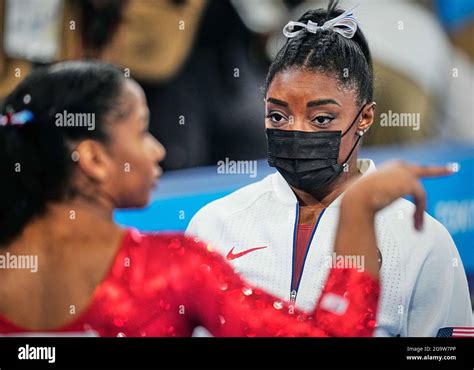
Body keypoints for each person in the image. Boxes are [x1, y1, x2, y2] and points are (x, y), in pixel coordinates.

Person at [0, 60, 391, 337]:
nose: (157, 151)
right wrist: (357, 211)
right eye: (141, 132)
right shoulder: (170, 269)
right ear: (94, 159)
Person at [186, 0, 473, 336]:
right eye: (278, 116)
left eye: (321, 118)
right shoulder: (216, 224)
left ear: (365, 117)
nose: (296, 131)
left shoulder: (420, 241)